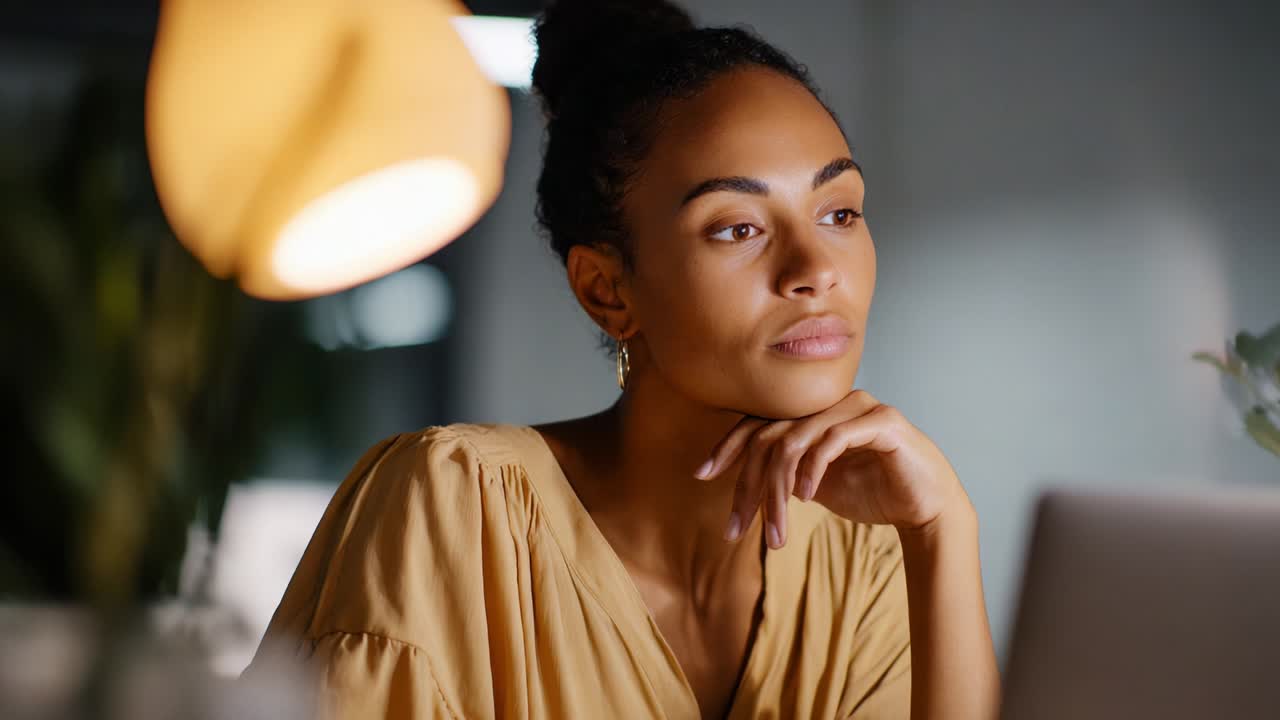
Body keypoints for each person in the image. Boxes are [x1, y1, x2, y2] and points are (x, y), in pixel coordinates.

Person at [244, 1, 1000, 717]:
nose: (815, 267)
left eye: (839, 212)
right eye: (737, 228)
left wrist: (943, 531)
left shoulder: (861, 551)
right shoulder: (452, 509)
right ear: (607, 290)